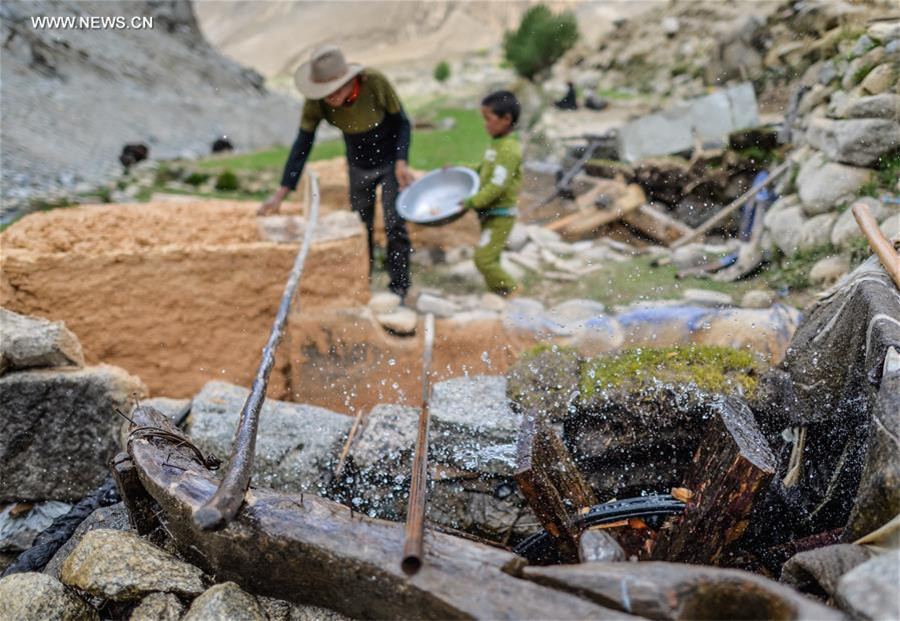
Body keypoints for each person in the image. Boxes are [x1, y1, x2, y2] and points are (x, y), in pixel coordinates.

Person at [258, 45, 414, 299]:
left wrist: (401, 161)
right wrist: (281, 192)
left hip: (389, 160)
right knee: (361, 225)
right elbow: (303, 143)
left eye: (336, 89)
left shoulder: (375, 82)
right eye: (324, 91)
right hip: (357, 163)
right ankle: (362, 282)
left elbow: (402, 123)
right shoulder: (316, 103)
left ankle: (400, 286)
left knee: (394, 223)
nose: (329, 96)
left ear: (351, 80)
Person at [459, 90, 522, 297]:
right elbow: (484, 168)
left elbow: (497, 186)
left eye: (488, 119)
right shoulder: (497, 144)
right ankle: (498, 294)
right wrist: (461, 169)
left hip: (501, 216)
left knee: (483, 259)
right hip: (491, 214)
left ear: (506, 119)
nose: (485, 124)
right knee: (491, 258)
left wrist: (471, 201)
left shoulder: (509, 150)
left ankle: (513, 289)